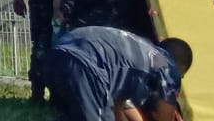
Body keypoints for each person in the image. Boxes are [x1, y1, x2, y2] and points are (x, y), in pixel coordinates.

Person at [46, 25, 191, 121]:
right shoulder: (166, 65)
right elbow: (164, 116)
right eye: (182, 75)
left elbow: (117, 106)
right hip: (88, 65)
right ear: (181, 68)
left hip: (57, 55)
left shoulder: (138, 56)